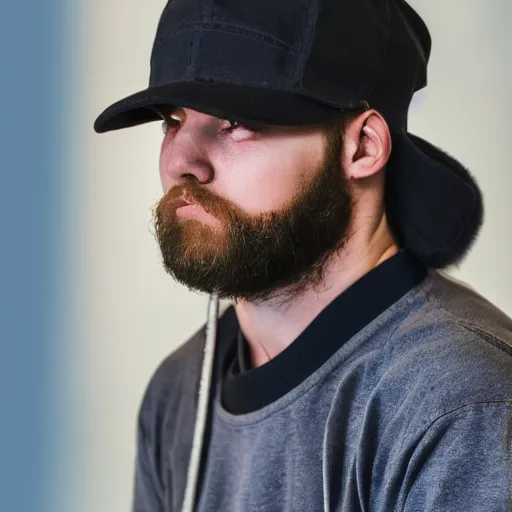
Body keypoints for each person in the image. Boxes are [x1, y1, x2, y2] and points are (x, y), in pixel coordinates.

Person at [94, 0, 512, 510]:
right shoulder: (178, 394)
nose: (182, 162)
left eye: (234, 122)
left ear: (362, 147)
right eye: (173, 120)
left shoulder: (460, 406)